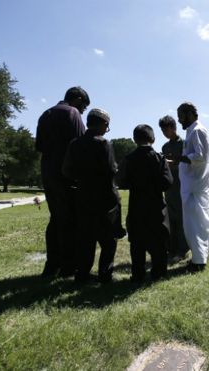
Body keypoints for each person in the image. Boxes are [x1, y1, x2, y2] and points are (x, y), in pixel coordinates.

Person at [62, 108, 125, 284]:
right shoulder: (104, 144)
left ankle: (82, 274)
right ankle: (105, 274)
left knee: (85, 240)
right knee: (108, 241)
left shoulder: (74, 144)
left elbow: (66, 171)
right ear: (103, 123)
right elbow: (111, 171)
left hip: (82, 197)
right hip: (104, 199)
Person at [35, 86, 89, 277]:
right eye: (84, 107)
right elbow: (80, 145)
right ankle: (69, 267)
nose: (83, 111)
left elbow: (40, 146)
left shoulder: (45, 114)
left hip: (48, 174)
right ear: (78, 99)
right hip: (67, 176)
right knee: (71, 221)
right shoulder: (72, 113)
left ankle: (52, 265)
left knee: (56, 219)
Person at [117, 124, 173, 283]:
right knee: (159, 243)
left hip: (137, 206)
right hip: (156, 206)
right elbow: (167, 182)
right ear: (153, 139)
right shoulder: (159, 158)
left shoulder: (129, 159)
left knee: (137, 243)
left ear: (135, 139)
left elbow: (121, 181)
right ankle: (159, 272)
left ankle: (138, 273)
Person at [175, 102, 209, 272]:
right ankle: (200, 256)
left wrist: (180, 158)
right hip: (192, 185)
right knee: (197, 223)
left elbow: (200, 156)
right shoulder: (191, 131)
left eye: (181, 116)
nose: (179, 120)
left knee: (194, 225)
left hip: (195, 186)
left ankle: (199, 262)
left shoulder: (198, 130)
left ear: (189, 113)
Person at [158, 115, 189, 263]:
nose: (164, 133)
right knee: (171, 219)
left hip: (182, 186)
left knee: (182, 219)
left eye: (166, 130)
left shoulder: (184, 144)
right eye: (162, 130)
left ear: (173, 128)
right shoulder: (164, 147)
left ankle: (183, 250)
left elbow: (188, 164)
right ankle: (172, 249)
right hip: (169, 188)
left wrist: (173, 163)